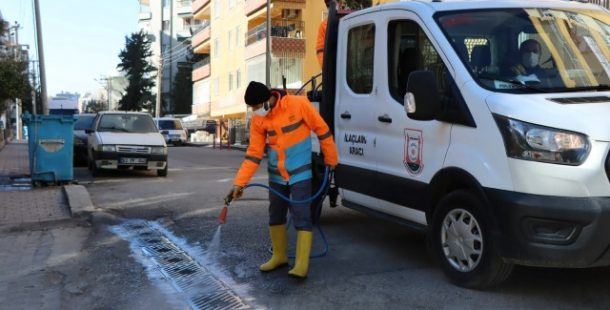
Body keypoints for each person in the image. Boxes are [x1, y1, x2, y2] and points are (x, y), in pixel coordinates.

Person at [227, 81, 338, 278]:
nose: (255, 111)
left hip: (300, 171)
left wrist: (331, 159)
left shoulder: (299, 104)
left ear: (267, 100)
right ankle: (279, 256)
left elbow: (321, 129)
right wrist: (239, 183)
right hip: (277, 174)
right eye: (252, 108)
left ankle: (301, 265)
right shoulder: (258, 120)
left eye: (256, 106)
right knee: (275, 213)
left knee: (301, 214)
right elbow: (253, 154)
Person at [317, 0, 343, 69]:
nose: (330, 7)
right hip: (332, 68)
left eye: (333, 4)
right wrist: (327, 68)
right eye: (328, 5)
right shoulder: (324, 25)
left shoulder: (347, 20)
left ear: (340, 4)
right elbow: (320, 50)